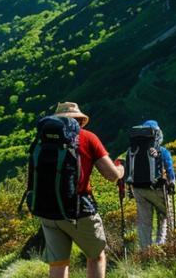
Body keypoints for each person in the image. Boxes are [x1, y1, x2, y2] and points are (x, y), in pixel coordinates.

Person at [33, 102, 124, 278]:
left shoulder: (42, 139)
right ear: (80, 121)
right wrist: (121, 169)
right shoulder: (88, 138)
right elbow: (111, 175)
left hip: (47, 209)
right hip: (78, 209)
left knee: (58, 264)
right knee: (96, 256)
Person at [124, 119, 176, 248]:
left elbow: (127, 171)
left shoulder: (132, 151)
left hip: (138, 189)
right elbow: (169, 170)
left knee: (144, 221)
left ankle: (145, 250)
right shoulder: (162, 151)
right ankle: (161, 244)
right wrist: (172, 182)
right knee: (164, 214)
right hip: (157, 188)